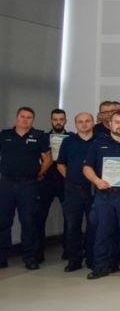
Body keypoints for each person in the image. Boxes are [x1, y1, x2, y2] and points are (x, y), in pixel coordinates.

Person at [82, 111, 120, 279]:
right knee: (102, 233)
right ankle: (100, 267)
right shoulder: (98, 144)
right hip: (104, 195)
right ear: (110, 124)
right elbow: (87, 168)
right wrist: (97, 181)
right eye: (117, 122)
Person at [0, 107, 52, 269]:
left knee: (29, 222)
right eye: (22, 116)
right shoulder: (5, 135)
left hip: (28, 184)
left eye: (29, 117)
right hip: (7, 183)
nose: (25, 119)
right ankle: (2, 257)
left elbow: (47, 159)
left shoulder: (39, 136)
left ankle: (30, 258)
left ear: (33, 120)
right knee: (3, 222)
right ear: (17, 118)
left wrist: (38, 174)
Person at [56, 112, 96, 272]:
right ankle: (74, 260)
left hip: (94, 190)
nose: (84, 124)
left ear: (93, 123)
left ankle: (92, 259)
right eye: (80, 121)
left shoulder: (100, 141)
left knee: (94, 225)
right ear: (75, 124)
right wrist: (71, 178)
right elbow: (60, 164)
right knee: (72, 226)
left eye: (87, 121)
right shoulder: (68, 142)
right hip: (73, 190)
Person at [35, 108, 68, 265]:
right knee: (39, 216)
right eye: (55, 119)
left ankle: (68, 251)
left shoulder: (71, 138)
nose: (58, 122)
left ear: (65, 121)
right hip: (46, 181)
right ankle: (38, 252)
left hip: (65, 181)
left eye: (61, 119)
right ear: (51, 121)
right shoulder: (43, 138)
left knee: (69, 217)